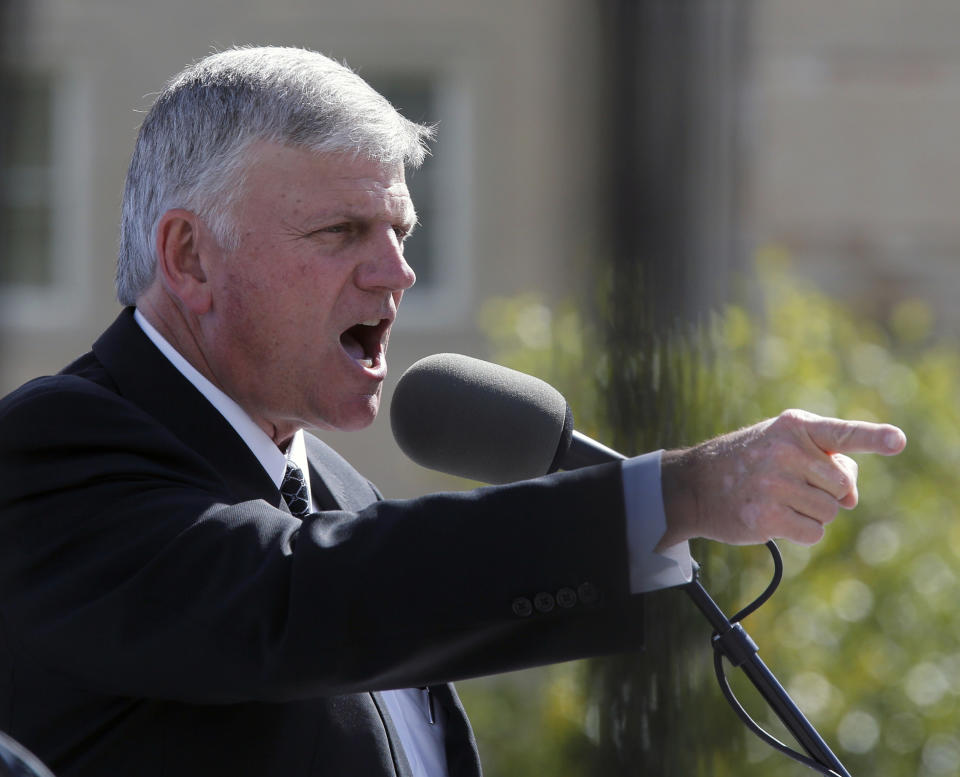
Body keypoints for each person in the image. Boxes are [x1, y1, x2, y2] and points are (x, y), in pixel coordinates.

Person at [0, 46, 906, 777]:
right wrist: (672, 492)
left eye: (401, 232)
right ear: (191, 257)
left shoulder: (338, 492)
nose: (397, 274)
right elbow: (294, 599)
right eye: (341, 232)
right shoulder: (52, 452)